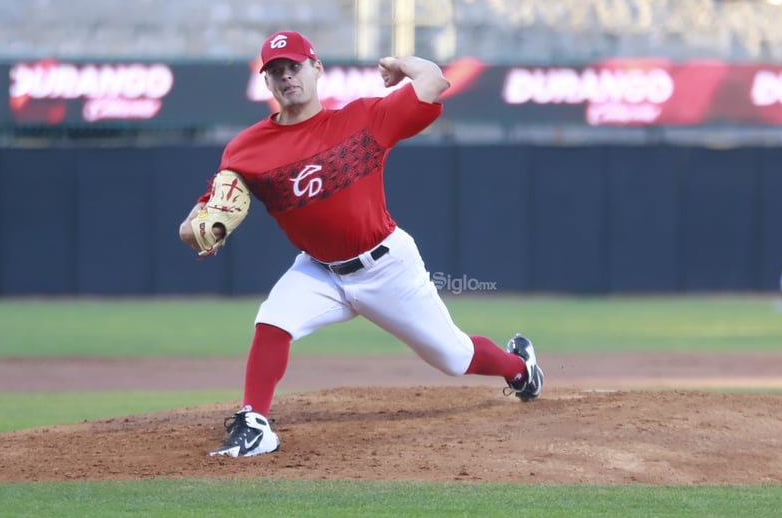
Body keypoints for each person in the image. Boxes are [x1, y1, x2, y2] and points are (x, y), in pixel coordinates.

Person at [178, 30, 544, 458]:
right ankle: (255, 424)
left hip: (387, 266)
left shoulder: (362, 120)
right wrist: (197, 230)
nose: (285, 76)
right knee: (273, 321)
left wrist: (401, 63)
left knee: (453, 357)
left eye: (293, 66)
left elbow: (434, 81)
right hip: (319, 270)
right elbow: (200, 220)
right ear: (266, 82)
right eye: (275, 71)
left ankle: (520, 368)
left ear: (316, 68)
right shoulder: (245, 150)